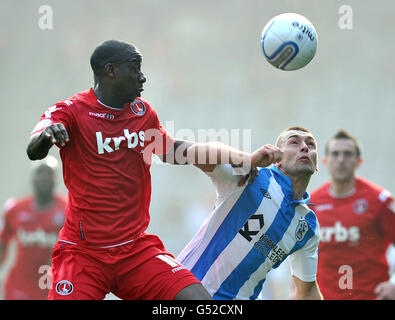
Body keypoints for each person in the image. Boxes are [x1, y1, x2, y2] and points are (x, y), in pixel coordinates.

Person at [26, 40, 265, 300]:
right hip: (83, 254)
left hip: (134, 250)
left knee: (199, 301)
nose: (143, 76)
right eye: (135, 67)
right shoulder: (71, 111)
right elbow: (33, 149)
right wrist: (47, 136)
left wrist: (242, 157)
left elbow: (176, 151)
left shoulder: (142, 112)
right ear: (111, 71)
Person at [177, 126, 323, 300]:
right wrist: (246, 159)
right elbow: (196, 153)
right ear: (278, 160)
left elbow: (307, 290)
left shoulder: (307, 225)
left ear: (316, 165)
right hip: (187, 289)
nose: (305, 147)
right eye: (294, 142)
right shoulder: (251, 176)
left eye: (310, 144)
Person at [310, 129, 395, 300]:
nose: (341, 160)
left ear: (359, 161)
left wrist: (393, 283)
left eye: (348, 154)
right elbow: (299, 253)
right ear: (324, 161)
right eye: (335, 154)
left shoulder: (379, 200)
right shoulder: (312, 202)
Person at [0, 156, 66, 300]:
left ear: (56, 179)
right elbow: (2, 243)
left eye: (49, 173)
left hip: (49, 287)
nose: (44, 178)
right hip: (18, 287)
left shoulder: (67, 211)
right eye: (40, 173)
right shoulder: (15, 209)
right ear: (33, 177)